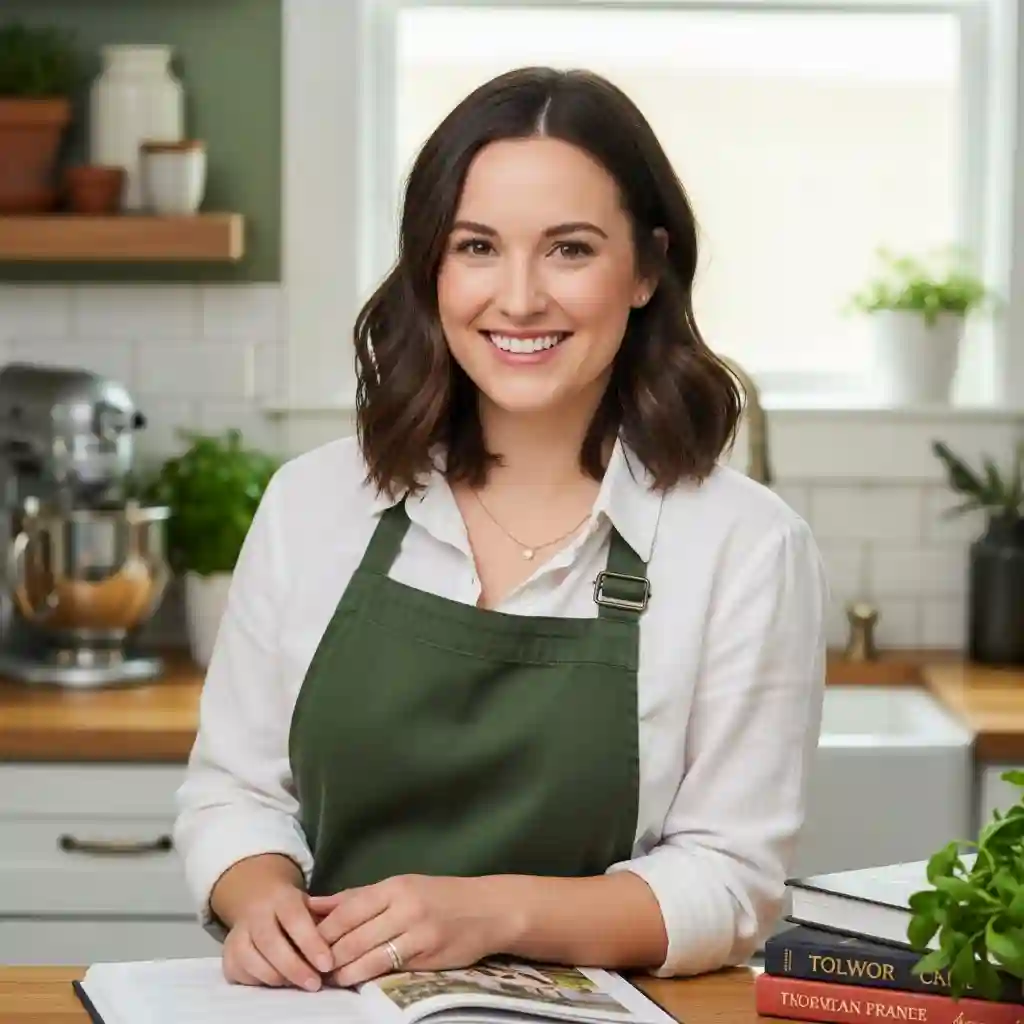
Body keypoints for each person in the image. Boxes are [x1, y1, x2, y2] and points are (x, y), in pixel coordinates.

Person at [173, 65, 828, 995]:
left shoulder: (746, 545)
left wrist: (486, 912)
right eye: (477, 246)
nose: (518, 300)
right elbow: (233, 792)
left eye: (569, 250)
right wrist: (260, 900)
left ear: (645, 268)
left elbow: (730, 881)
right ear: (431, 267)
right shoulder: (312, 504)